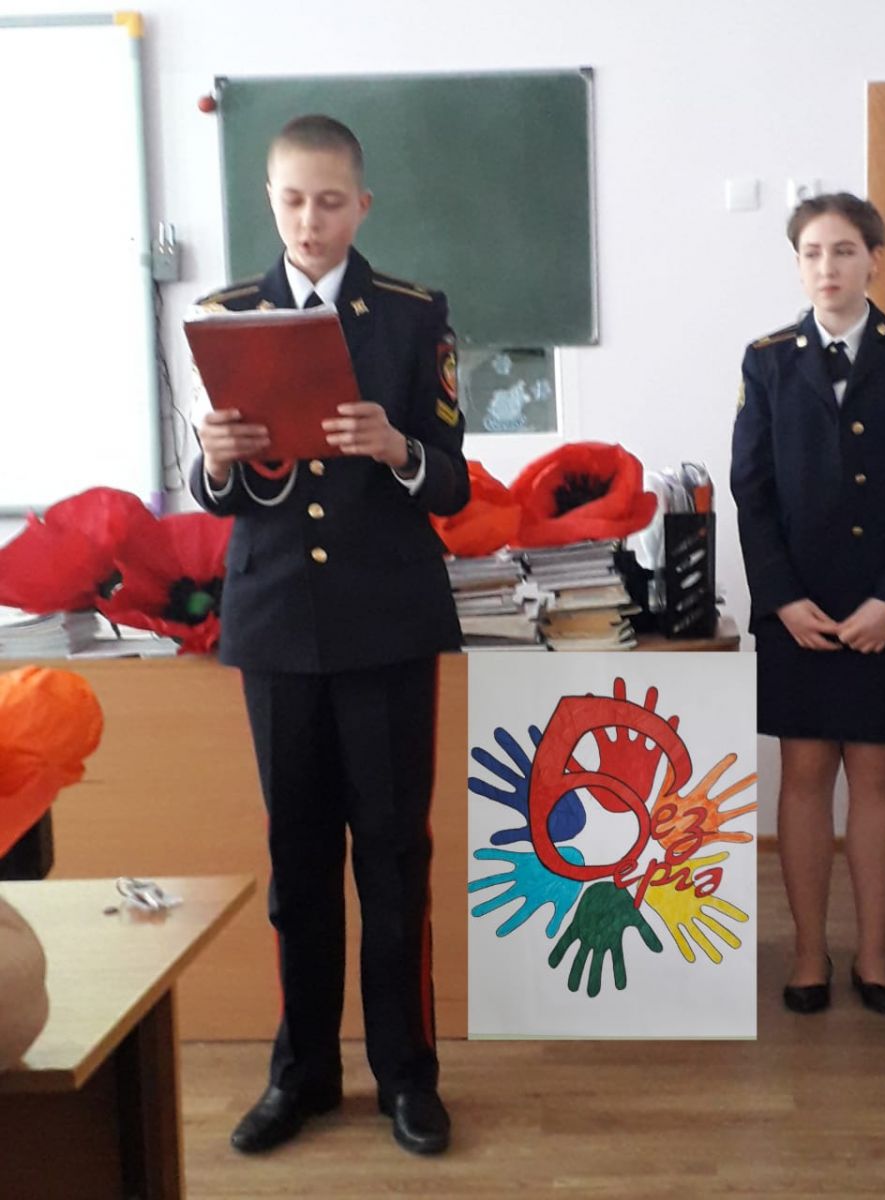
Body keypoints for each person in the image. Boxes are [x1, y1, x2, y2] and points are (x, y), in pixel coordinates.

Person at [190, 115, 469, 1156]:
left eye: (331, 200)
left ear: (362, 205)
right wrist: (217, 459)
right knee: (297, 863)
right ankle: (301, 1075)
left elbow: (453, 480)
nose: (311, 219)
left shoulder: (412, 315)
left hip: (385, 622)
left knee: (393, 861)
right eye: (294, 199)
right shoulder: (227, 316)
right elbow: (215, 490)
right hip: (276, 623)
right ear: (271, 201)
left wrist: (398, 448)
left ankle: (407, 1076)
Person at [731, 192, 885, 1017]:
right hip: (799, 607)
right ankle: (807, 953)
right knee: (802, 775)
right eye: (812, 253)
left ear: (873, 260)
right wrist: (782, 599)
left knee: (878, 775)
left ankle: (873, 954)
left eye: (843, 251)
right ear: (798, 266)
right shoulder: (767, 360)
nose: (827, 267)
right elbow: (751, 491)